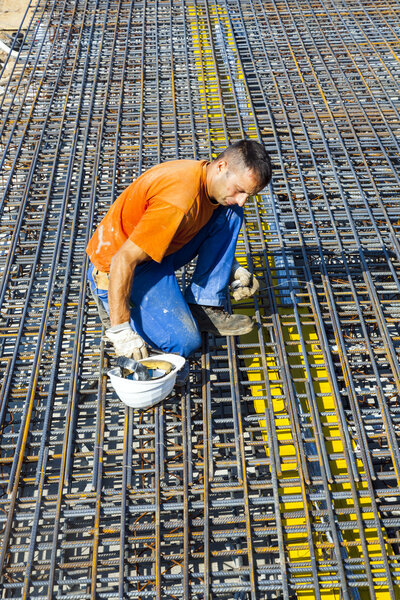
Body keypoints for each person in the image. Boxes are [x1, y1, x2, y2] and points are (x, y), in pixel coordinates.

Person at [86, 139, 272, 366]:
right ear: (222, 167)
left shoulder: (207, 178)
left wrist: (230, 267)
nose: (242, 200)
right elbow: (122, 260)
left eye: (248, 195)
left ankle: (205, 304)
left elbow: (213, 218)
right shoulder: (178, 202)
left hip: (160, 247)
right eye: (240, 190)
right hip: (120, 267)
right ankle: (112, 309)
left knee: (231, 213)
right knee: (184, 342)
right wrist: (121, 331)